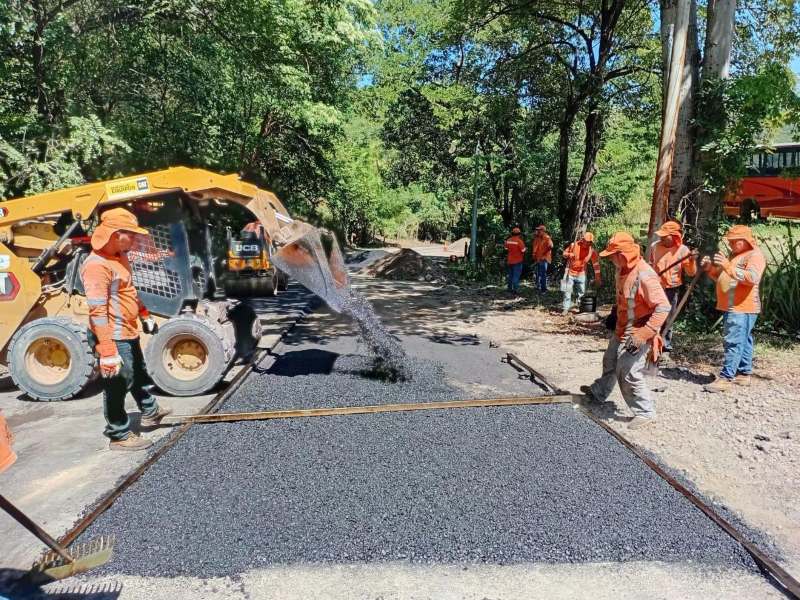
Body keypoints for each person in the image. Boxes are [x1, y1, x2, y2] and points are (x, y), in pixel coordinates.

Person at [81, 208, 171, 451]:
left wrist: (144, 314)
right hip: (112, 334)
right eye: (129, 234)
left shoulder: (120, 257)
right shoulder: (96, 266)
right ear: (114, 234)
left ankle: (150, 411)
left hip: (128, 329)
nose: (133, 239)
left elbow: (128, 292)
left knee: (138, 373)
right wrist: (108, 350)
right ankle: (119, 434)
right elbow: (97, 311)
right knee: (118, 382)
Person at [580, 232, 671, 430]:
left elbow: (663, 307)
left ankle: (645, 412)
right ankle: (599, 392)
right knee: (610, 360)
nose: (610, 259)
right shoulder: (621, 270)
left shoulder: (645, 275)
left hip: (640, 331)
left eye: (613, 255)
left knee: (627, 370)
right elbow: (625, 299)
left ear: (623, 254)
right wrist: (614, 315)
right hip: (623, 327)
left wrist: (644, 334)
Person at [700, 225, 766, 393]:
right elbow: (724, 277)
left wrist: (728, 266)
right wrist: (710, 269)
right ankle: (743, 374)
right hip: (734, 306)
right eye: (729, 241)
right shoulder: (736, 255)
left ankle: (726, 378)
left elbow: (752, 278)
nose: (730, 244)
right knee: (744, 340)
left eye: (733, 242)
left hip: (742, 307)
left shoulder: (755, 256)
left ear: (744, 241)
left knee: (734, 341)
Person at [646, 220, 697, 352]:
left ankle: (665, 342)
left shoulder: (683, 250)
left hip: (672, 288)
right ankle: (651, 339)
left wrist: (691, 261)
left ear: (674, 236)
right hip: (656, 286)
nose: (662, 238)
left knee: (669, 315)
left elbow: (691, 273)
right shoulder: (655, 246)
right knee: (653, 314)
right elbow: (650, 265)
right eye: (661, 235)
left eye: (665, 236)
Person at [562, 231, 601, 314]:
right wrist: (569, 255)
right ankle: (565, 308)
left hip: (581, 273)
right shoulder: (573, 245)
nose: (588, 244)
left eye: (590, 242)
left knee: (582, 293)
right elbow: (564, 254)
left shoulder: (591, 251)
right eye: (587, 242)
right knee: (566, 291)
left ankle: (582, 309)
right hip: (569, 271)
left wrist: (598, 277)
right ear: (582, 240)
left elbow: (596, 265)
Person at [503, 226, 526, 293]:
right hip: (518, 261)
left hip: (510, 261)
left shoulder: (508, 240)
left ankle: (509, 289)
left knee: (510, 275)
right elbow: (523, 250)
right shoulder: (519, 241)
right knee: (516, 276)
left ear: (512, 233)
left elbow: (506, 248)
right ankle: (515, 289)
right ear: (519, 234)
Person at [531, 225, 553, 292]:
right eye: (537, 230)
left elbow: (551, 246)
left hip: (544, 259)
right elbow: (535, 248)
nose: (538, 231)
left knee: (543, 274)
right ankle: (538, 287)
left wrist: (544, 252)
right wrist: (534, 255)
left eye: (539, 230)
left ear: (543, 231)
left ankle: (544, 289)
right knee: (538, 273)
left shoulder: (546, 237)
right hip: (538, 259)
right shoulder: (537, 238)